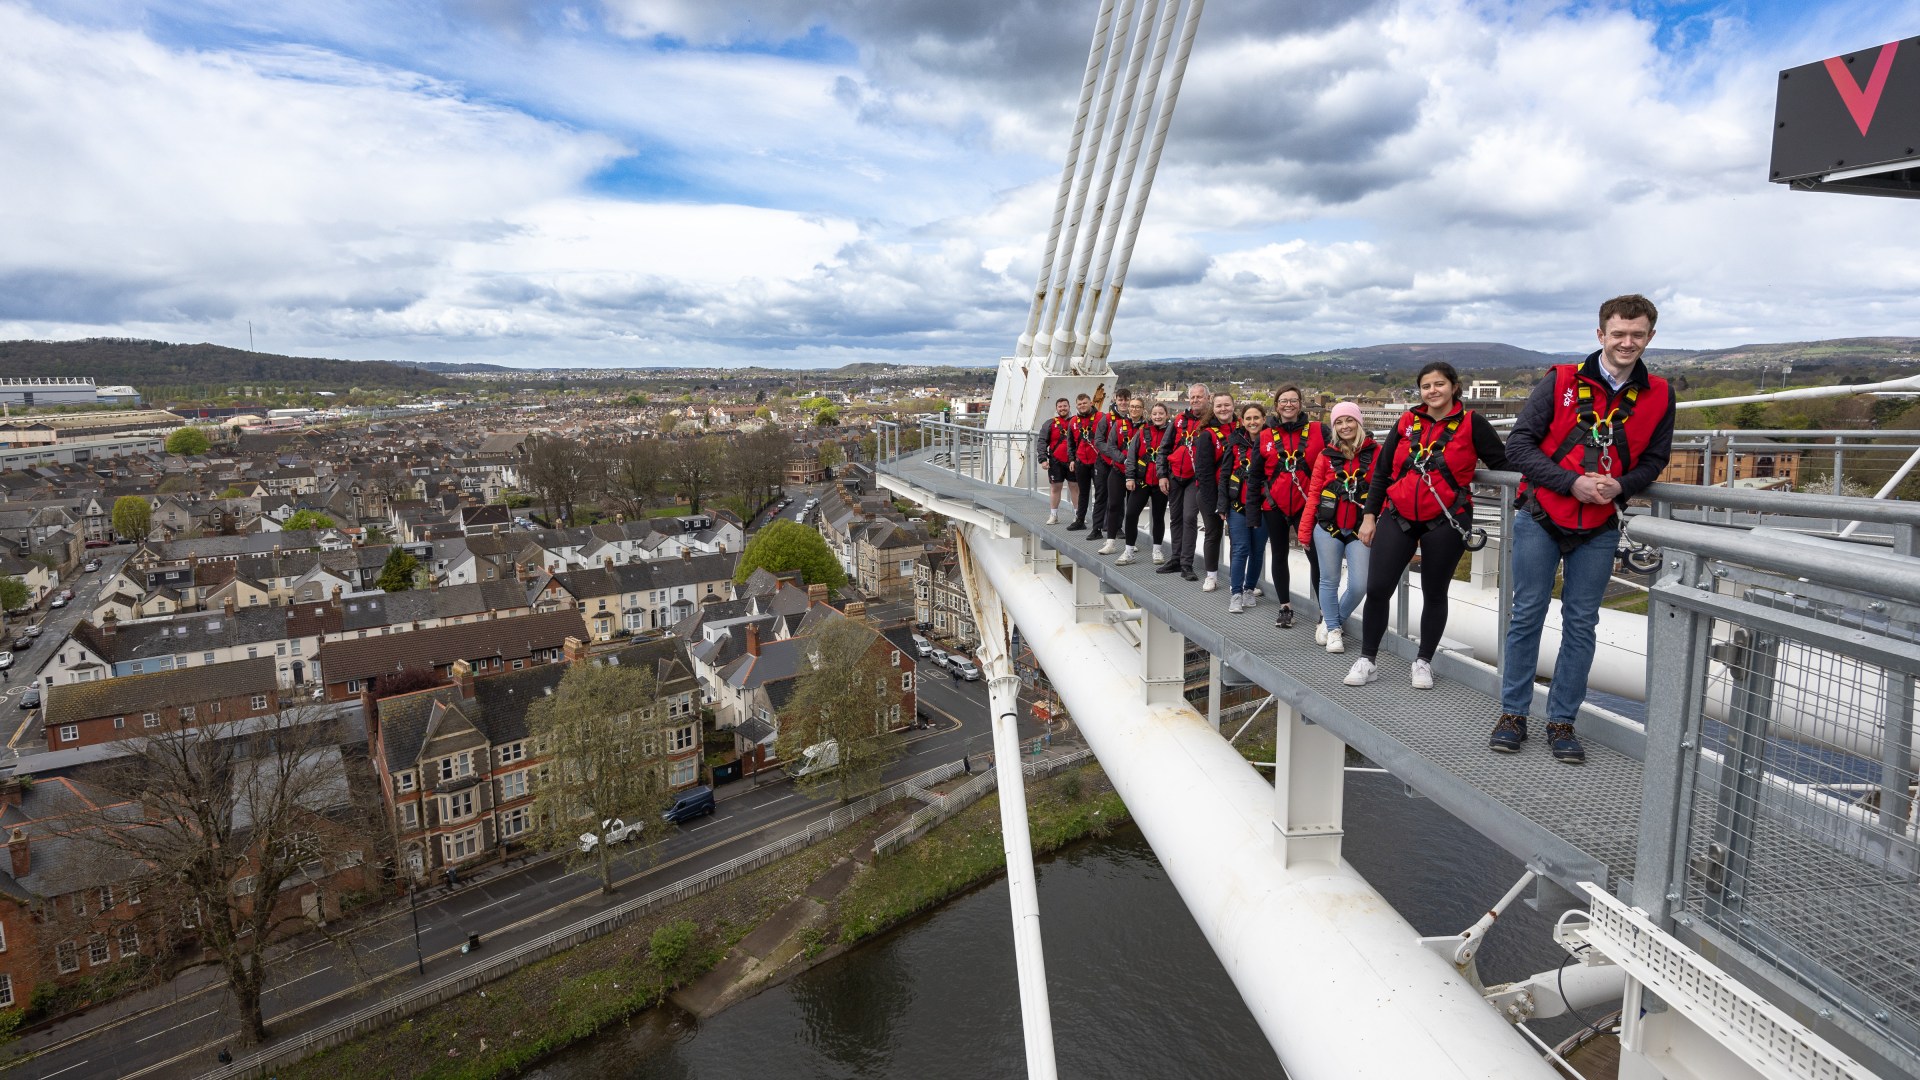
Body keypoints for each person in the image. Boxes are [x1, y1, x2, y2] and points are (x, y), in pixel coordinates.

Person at [1493, 294, 1675, 764]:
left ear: (1650, 337)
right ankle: (1513, 713)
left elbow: (1655, 459)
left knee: (1581, 623)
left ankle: (1562, 721)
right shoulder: (1560, 382)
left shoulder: (1659, 395)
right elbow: (1519, 446)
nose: (1627, 342)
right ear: (1601, 335)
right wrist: (1571, 482)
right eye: (1618, 333)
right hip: (1542, 515)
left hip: (1600, 525)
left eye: (1637, 335)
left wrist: (1622, 486)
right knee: (1527, 613)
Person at [1344, 362, 1508, 689]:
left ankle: (1423, 661)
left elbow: (1503, 464)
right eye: (1426, 386)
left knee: (1435, 591)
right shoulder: (1407, 421)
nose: (1432, 391)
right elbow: (1383, 471)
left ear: (1453, 387)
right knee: (1377, 588)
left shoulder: (1473, 424)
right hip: (1398, 513)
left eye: (1439, 384)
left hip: (1447, 518)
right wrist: (1369, 515)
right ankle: (1367, 659)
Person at [1298, 402, 1377, 654]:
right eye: (1339, 422)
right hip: (1328, 526)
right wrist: (1304, 529)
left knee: (1359, 585)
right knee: (1328, 580)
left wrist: (1376, 521)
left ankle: (1334, 620)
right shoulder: (1326, 456)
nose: (1344, 426)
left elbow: (1383, 491)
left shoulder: (1375, 454)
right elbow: (1313, 494)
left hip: (1360, 528)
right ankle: (1333, 631)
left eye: (1349, 420)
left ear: (1359, 422)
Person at [1260, 385, 1327, 631]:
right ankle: (1285, 607)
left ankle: (1325, 611)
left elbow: (1336, 459)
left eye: (1293, 400)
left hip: (1307, 506)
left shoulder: (1320, 431)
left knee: (1315, 558)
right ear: (1276, 405)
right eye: (1283, 401)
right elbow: (1257, 472)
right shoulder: (1266, 435)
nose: (1288, 405)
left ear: (1300, 403)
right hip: (1274, 505)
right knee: (1279, 554)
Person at [1218, 403, 1269, 613]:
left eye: (1256, 418)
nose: (1252, 422)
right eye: (1248, 418)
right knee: (1240, 549)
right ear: (1242, 421)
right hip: (1237, 505)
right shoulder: (1235, 443)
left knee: (1257, 551)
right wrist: (1222, 504)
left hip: (1263, 506)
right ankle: (1236, 593)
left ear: (1264, 419)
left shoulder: (1271, 443)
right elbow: (1224, 474)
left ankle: (1249, 589)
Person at [1158, 384, 1211, 580]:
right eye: (1193, 397)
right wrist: (1162, 474)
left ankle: (1186, 563)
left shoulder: (1211, 422)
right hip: (1174, 475)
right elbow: (1164, 448)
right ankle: (1175, 558)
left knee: (1189, 517)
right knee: (1175, 518)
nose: (1195, 400)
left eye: (1199, 397)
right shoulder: (1179, 420)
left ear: (1207, 398)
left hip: (1195, 478)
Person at [1188, 392, 1236, 591]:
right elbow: (1203, 472)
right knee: (1213, 533)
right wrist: (1213, 501)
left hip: (1236, 492)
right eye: (1219, 406)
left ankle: (1237, 578)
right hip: (1211, 493)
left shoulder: (1243, 429)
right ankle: (1211, 576)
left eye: (1227, 405)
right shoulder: (1207, 435)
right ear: (1213, 409)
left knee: (1238, 538)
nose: (1223, 409)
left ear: (1234, 406)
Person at [1120, 401, 1175, 566]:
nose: (1158, 417)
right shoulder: (1143, 432)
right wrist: (1129, 477)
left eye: (1161, 414)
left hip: (1161, 482)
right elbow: (1131, 456)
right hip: (1141, 480)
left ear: (1167, 416)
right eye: (1155, 414)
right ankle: (1129, 550)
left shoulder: (1172, 433)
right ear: (1150, 416)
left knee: (1158, 516)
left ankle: (1157, 550)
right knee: (1131, 514)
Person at [1097, 394, 1143, 554]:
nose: (1134, 409)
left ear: (1143, 409)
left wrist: (1135, 464)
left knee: (1132, 510)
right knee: (1114, 505)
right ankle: (1110, 542)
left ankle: (1131, 542)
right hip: (1118, 470)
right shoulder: (1118, 425)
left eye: (1138, 407)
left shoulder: (1146, 428)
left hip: (1137, 474)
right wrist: (1124, 460)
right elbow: (1110, 447)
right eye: (1132, 406)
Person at [1089, 387, 1131, 543]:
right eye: (1120, 399)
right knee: (1101, 495)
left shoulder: (1133, 419)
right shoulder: (1106, 419)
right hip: (1105, 462)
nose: (1123, 403)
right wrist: (1115, 455)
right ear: (1115, 400)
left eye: (1126, 399)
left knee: (1119, 498)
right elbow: (1098, 441)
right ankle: (1097, 528)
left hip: (1123, 464)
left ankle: (1116, 527)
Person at [1066, 393, 1101, 531]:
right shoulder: (1073, 421)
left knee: (1101, 492)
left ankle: (1101, 522)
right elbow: (1070, 443)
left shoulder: (1101, 418)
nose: (1082, 406)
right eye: (1079, 404)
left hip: (1098, 461)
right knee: (1083, 492)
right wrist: (1072, 460)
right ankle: (1080, 519)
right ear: (1076, 406)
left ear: (1091, 403)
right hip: (1081, 461)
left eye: (1085, 403)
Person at [1042, 397, 1075, 525]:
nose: (1063, 408)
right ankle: (1053, 515)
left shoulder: (1075, 422)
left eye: (1065, 406)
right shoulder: (1050, 423)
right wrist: (1043, 459)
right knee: (1056, 487)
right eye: (1060, 406)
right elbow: (1042, 441)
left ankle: (1078, 516)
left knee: (1074, 487)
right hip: (1055, 461)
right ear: (1056, 408)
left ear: (1069, 407)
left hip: (1072, 461)